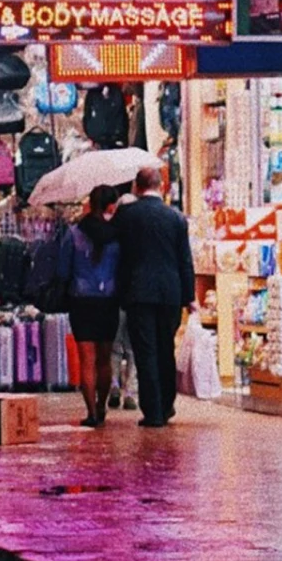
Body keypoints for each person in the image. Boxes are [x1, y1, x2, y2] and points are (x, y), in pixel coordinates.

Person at [109, 165, 193, 429]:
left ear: (136, 186)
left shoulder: (127, 215)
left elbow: (113, 246)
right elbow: (185, 261)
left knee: (145, 351)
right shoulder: (176, 218)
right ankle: (167, 405)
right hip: (170, 292)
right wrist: (189, 297)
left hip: (138, 292)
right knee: (165, 349)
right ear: (161, 186)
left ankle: (154, 411)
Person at [54, 186, 123, 428]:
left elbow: (63, 270)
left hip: (81, 301)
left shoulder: (73, 233)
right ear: (109, 206)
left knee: (87, 359)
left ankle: (91, 412)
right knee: (104, 359)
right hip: (109, 300)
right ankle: (103, 406)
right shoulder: (117, 235)